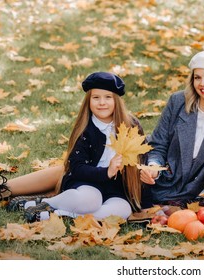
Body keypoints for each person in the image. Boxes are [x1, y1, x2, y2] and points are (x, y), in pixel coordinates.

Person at [21, 72, 145, 222]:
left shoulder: (131, 125)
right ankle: (45, 203)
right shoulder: (85, 129)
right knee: (90, 200)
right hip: (86, 182)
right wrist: (107, 172)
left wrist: (148, 177)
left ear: (116, 100)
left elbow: (140, 159)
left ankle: (58, 215)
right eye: (96, 97)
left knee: (122, 210)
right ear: (88, 101)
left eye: (108, 97)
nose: (102, 102)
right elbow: (77, 167)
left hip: (115, 189)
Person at [140, 50, 204, 207]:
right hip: (165, 183)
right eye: (197, 77)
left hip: (203, 189)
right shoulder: (178, 101)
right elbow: (159, 143)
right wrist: (153, 167)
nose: (202, 83)